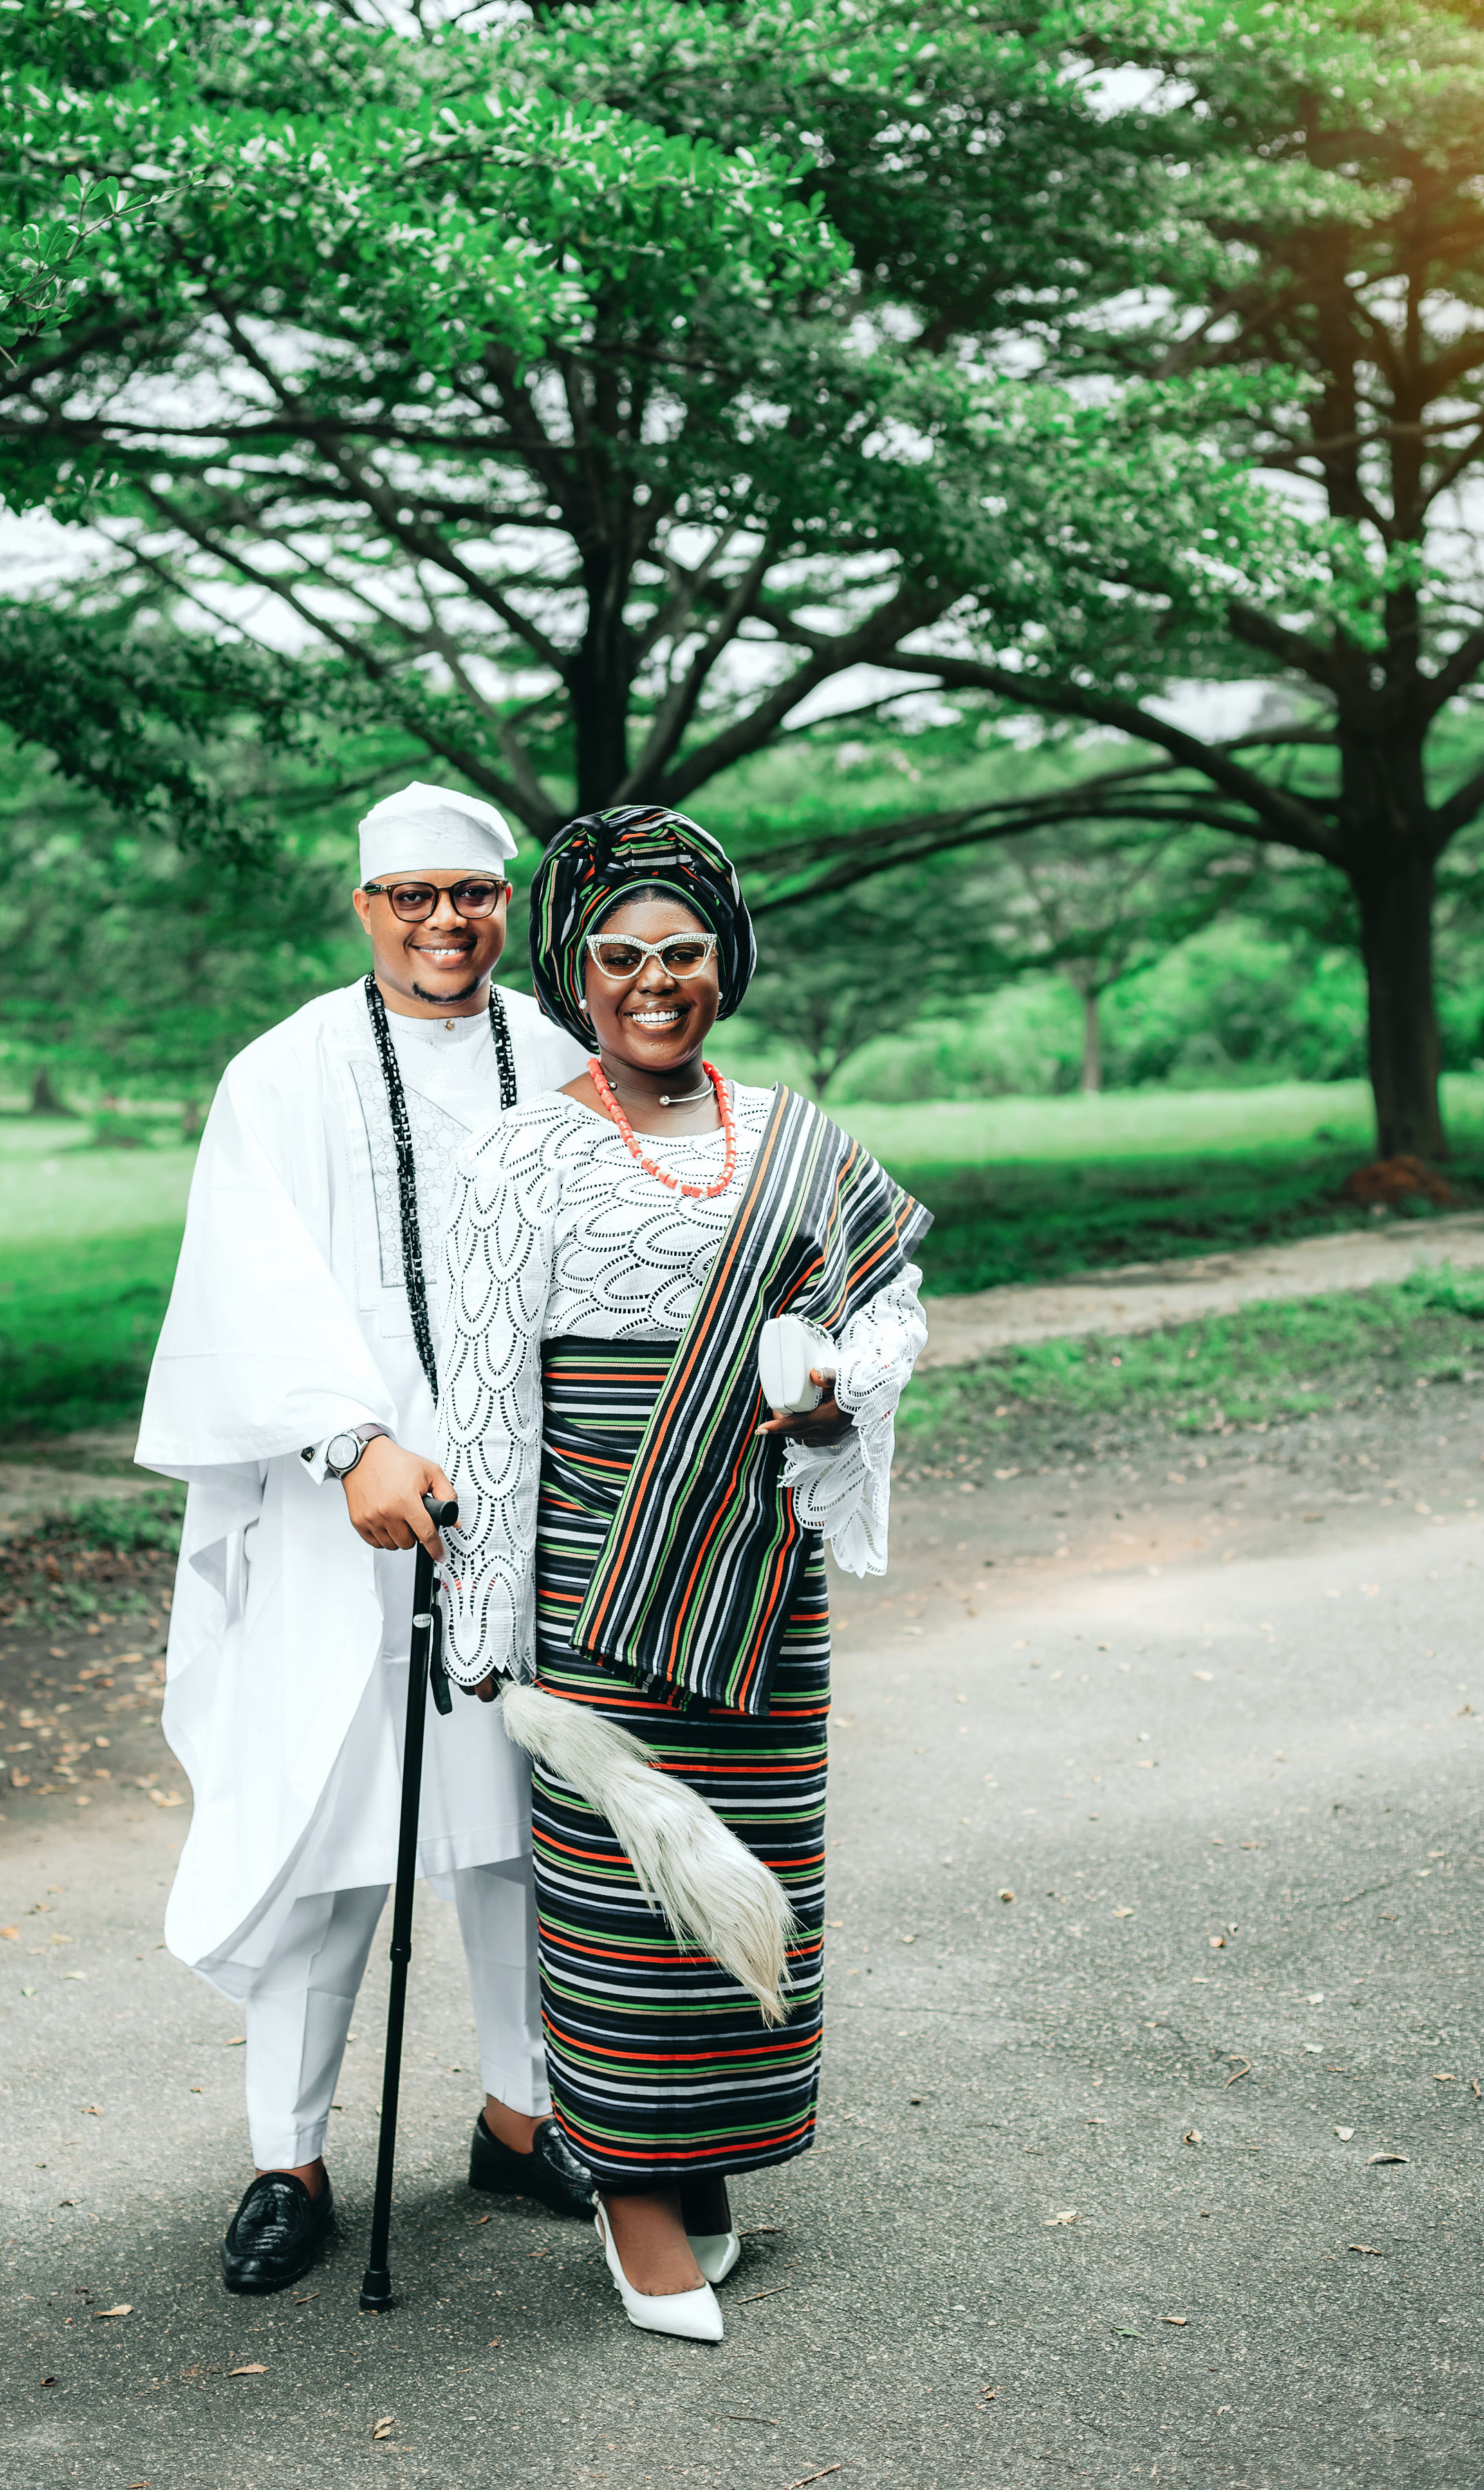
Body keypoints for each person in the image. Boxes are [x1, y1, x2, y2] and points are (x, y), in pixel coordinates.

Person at [433, 804, 931, 2341]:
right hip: (596, 1581)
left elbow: (890, 1303)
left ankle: (699, 2156)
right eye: (621, 954)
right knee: (616, 1892)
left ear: (727, 963)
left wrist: (841, 1394)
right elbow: (488, 1400)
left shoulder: (796, 1136)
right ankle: (632, 2194)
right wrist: (490, 1626)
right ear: (576, 976)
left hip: (759, 1577)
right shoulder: (519, 1154)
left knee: (751, 1873)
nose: (656, 980)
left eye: (686, 950)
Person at [134, 781, 596, 2296]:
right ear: (367, 908)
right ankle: (290, 2161)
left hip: (524, 1502)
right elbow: (246, 1275)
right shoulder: (282, 1072)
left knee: (521, 1830)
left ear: (505, 903)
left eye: (474, 893)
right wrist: (353, 1439)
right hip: (340, 1511)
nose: (445, 922)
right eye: (415, 897)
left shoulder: (564, 1058)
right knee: (330, 1839)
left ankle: (523, 2118)